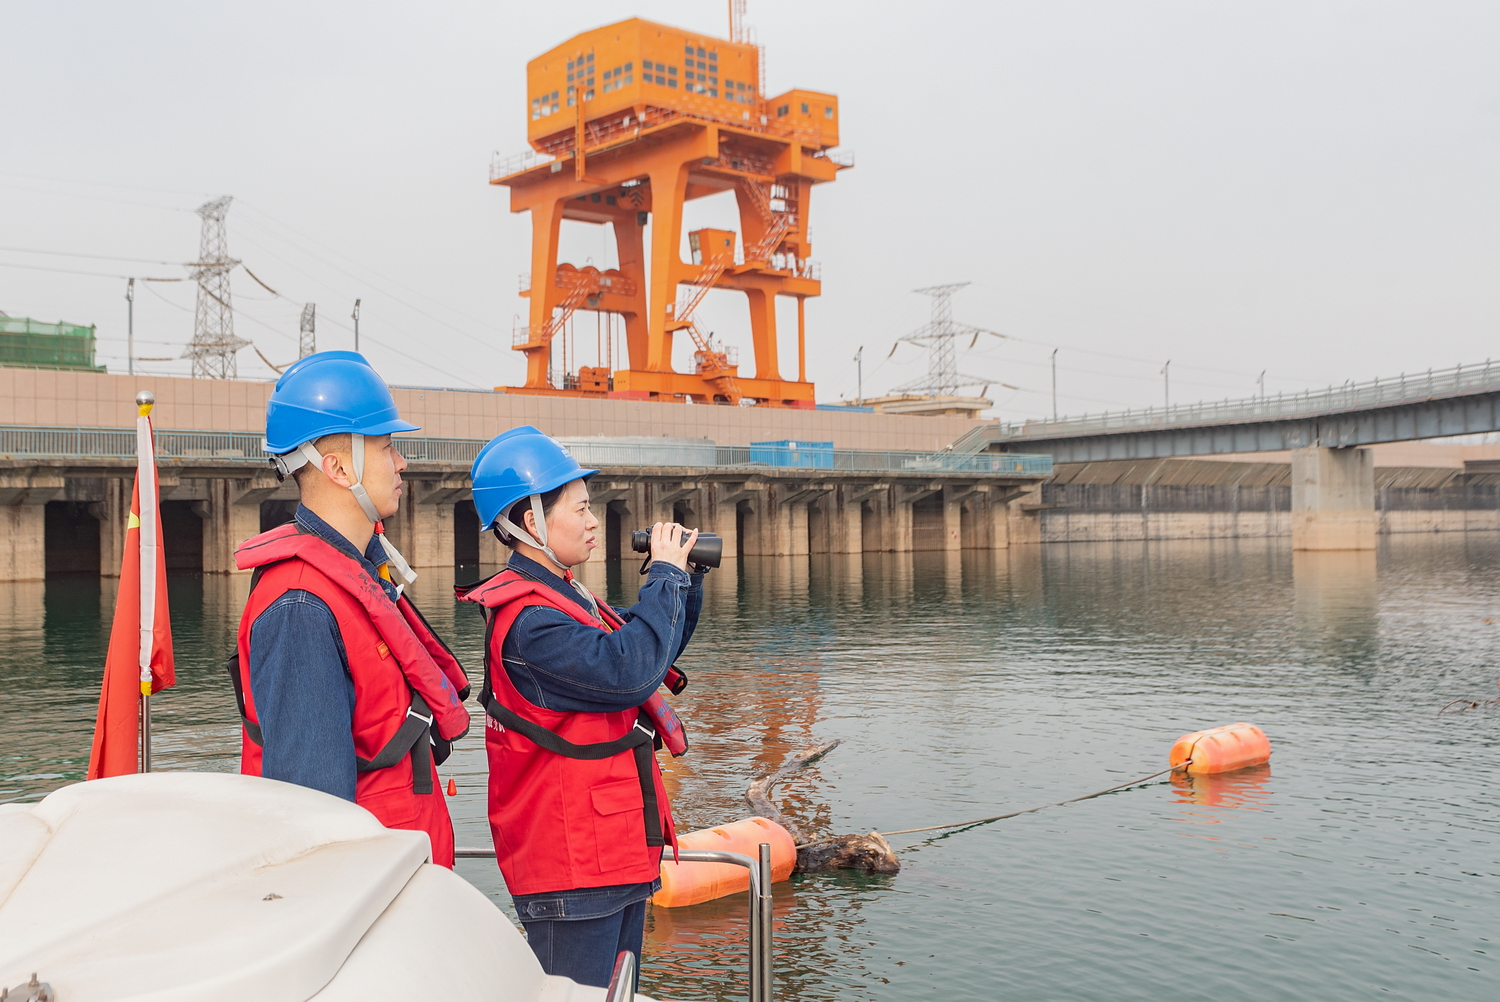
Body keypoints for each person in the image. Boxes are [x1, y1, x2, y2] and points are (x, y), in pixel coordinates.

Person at [456, 426, 706, 988]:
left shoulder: (568, 599)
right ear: (531, 523)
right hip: (570, 867)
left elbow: (649, 650)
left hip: (609, 852)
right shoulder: (531, 623)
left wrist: (685, 582)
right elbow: (629, 670)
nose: (595, 521)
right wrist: (663, 573)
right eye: (582, 508)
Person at [226, 350, 471, 867]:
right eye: (386, 447)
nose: (402, 463)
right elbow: (315, 820)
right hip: (369, 897)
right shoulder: (301, 607)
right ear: (337, 467)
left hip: (404, 877)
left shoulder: (360, 573)